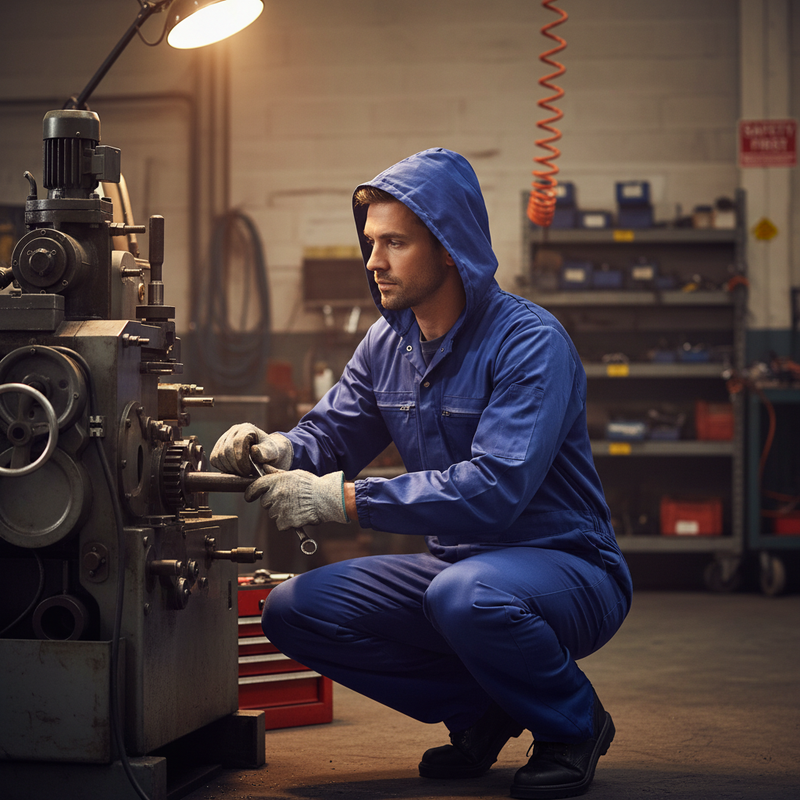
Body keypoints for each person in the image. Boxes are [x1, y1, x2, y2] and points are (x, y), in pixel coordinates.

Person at [210, 148, 632, 799]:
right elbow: (331, 434)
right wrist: (275, 449)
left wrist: (342, 500)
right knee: (294, 609)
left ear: (449, 248)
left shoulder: (529, 343)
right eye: (371, 241)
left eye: (395, 242)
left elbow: (493, 491)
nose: (373, 259)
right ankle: (482, 708)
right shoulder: (388, 343)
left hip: (567, 566)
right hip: (458, 569)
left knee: (465, 596)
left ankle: (574, 724)